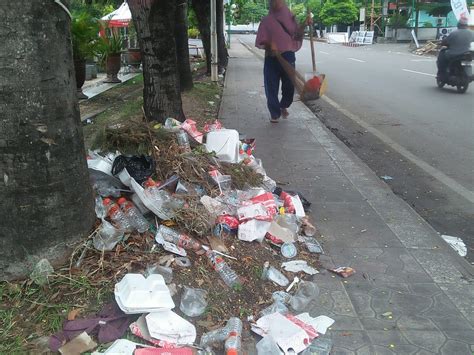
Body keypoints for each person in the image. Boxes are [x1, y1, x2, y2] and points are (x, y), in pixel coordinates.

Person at [255, 0, 312, 123]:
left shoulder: (291, 19)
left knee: (289, 87)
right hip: (272, 58)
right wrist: (270, 44)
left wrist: (304, 24)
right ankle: (274, 113)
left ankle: (283, 105)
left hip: (288, 56)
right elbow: (260, 40)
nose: (276, 3)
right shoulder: (266, 21)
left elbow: (296, 36)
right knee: (271, 88)